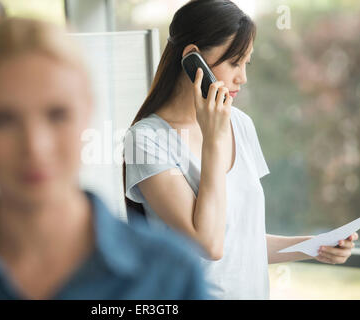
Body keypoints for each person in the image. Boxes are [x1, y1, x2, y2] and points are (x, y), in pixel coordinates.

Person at [0, 18, 209, 300]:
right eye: (3, 120)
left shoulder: (170, 277)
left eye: (57, 115)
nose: (35, 147)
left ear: (88, 112)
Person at [123, 0, 358, 299]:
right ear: (193, 59)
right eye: (234, 63)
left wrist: (315, 246)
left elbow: (242, 242)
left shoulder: (240, 123)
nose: (242, 78)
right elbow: (210, 244)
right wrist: (213, 140)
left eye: (246, 63)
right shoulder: (145, 140)